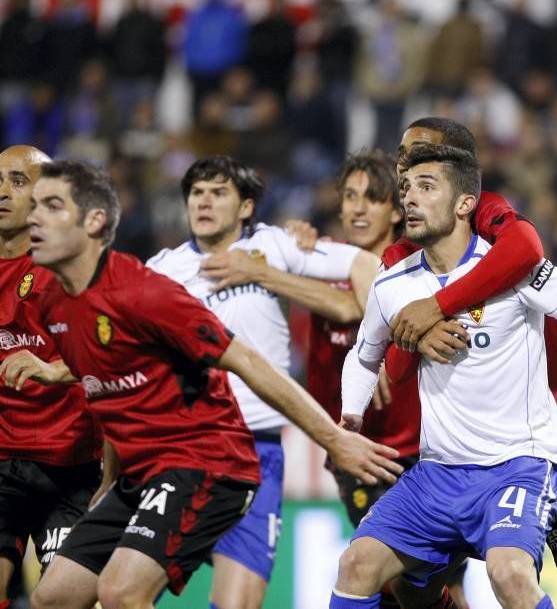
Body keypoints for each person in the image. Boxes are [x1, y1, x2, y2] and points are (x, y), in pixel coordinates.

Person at [0, 160, 403, 609]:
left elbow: (250, 361)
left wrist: (336, 438)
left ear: (94, 221)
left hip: (209, 459)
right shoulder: (60, 301)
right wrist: (109, 477)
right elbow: (113, 389)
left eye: (51, 206)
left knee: (123, 591)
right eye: (34, 206)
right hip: (142, 469)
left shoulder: (149, 290)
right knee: (52, 597)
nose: (33, 216)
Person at [330, 144, 557, 608]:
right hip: (436, 472)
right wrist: (349, 417)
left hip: (519, 466)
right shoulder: (392, 284)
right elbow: (363, 355)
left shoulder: (514, 273)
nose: (409, 198)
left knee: (509, 575)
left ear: (465, 203)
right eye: (407, 187)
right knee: (357, 566)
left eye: (426, 187)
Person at [145, 154, 382, 609]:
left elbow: (364, 267)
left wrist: (379, 348)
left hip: (257, 452)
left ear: (246, 207)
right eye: (197, 193)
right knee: (126, 591)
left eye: (219, 193)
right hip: (185, 447)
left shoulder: (275, 246)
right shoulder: (162, 271)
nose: (204, 202)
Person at [0, 146, 103, 609]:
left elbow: (111, 354)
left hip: (71, 465)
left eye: (18, 181)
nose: (2, 192)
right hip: (4, 460)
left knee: (60, 601)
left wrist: (52, 369)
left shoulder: (68, 267)